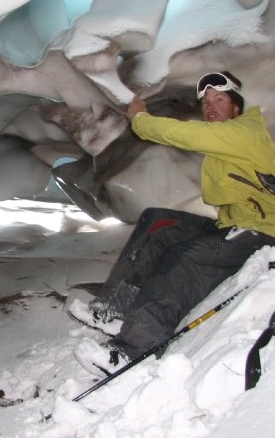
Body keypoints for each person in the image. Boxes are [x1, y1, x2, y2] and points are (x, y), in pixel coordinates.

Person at [72, 71, 275, 376]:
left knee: (187, 256)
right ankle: (113, 311)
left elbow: (187, 134)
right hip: (231, 227)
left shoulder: (247, 132)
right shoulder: (221, 149)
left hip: (263, 233)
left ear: (236, 108)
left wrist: (141, 119)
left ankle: (132, 349)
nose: (210, 106)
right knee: (159, 221)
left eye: (219, 99)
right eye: (206, 102)